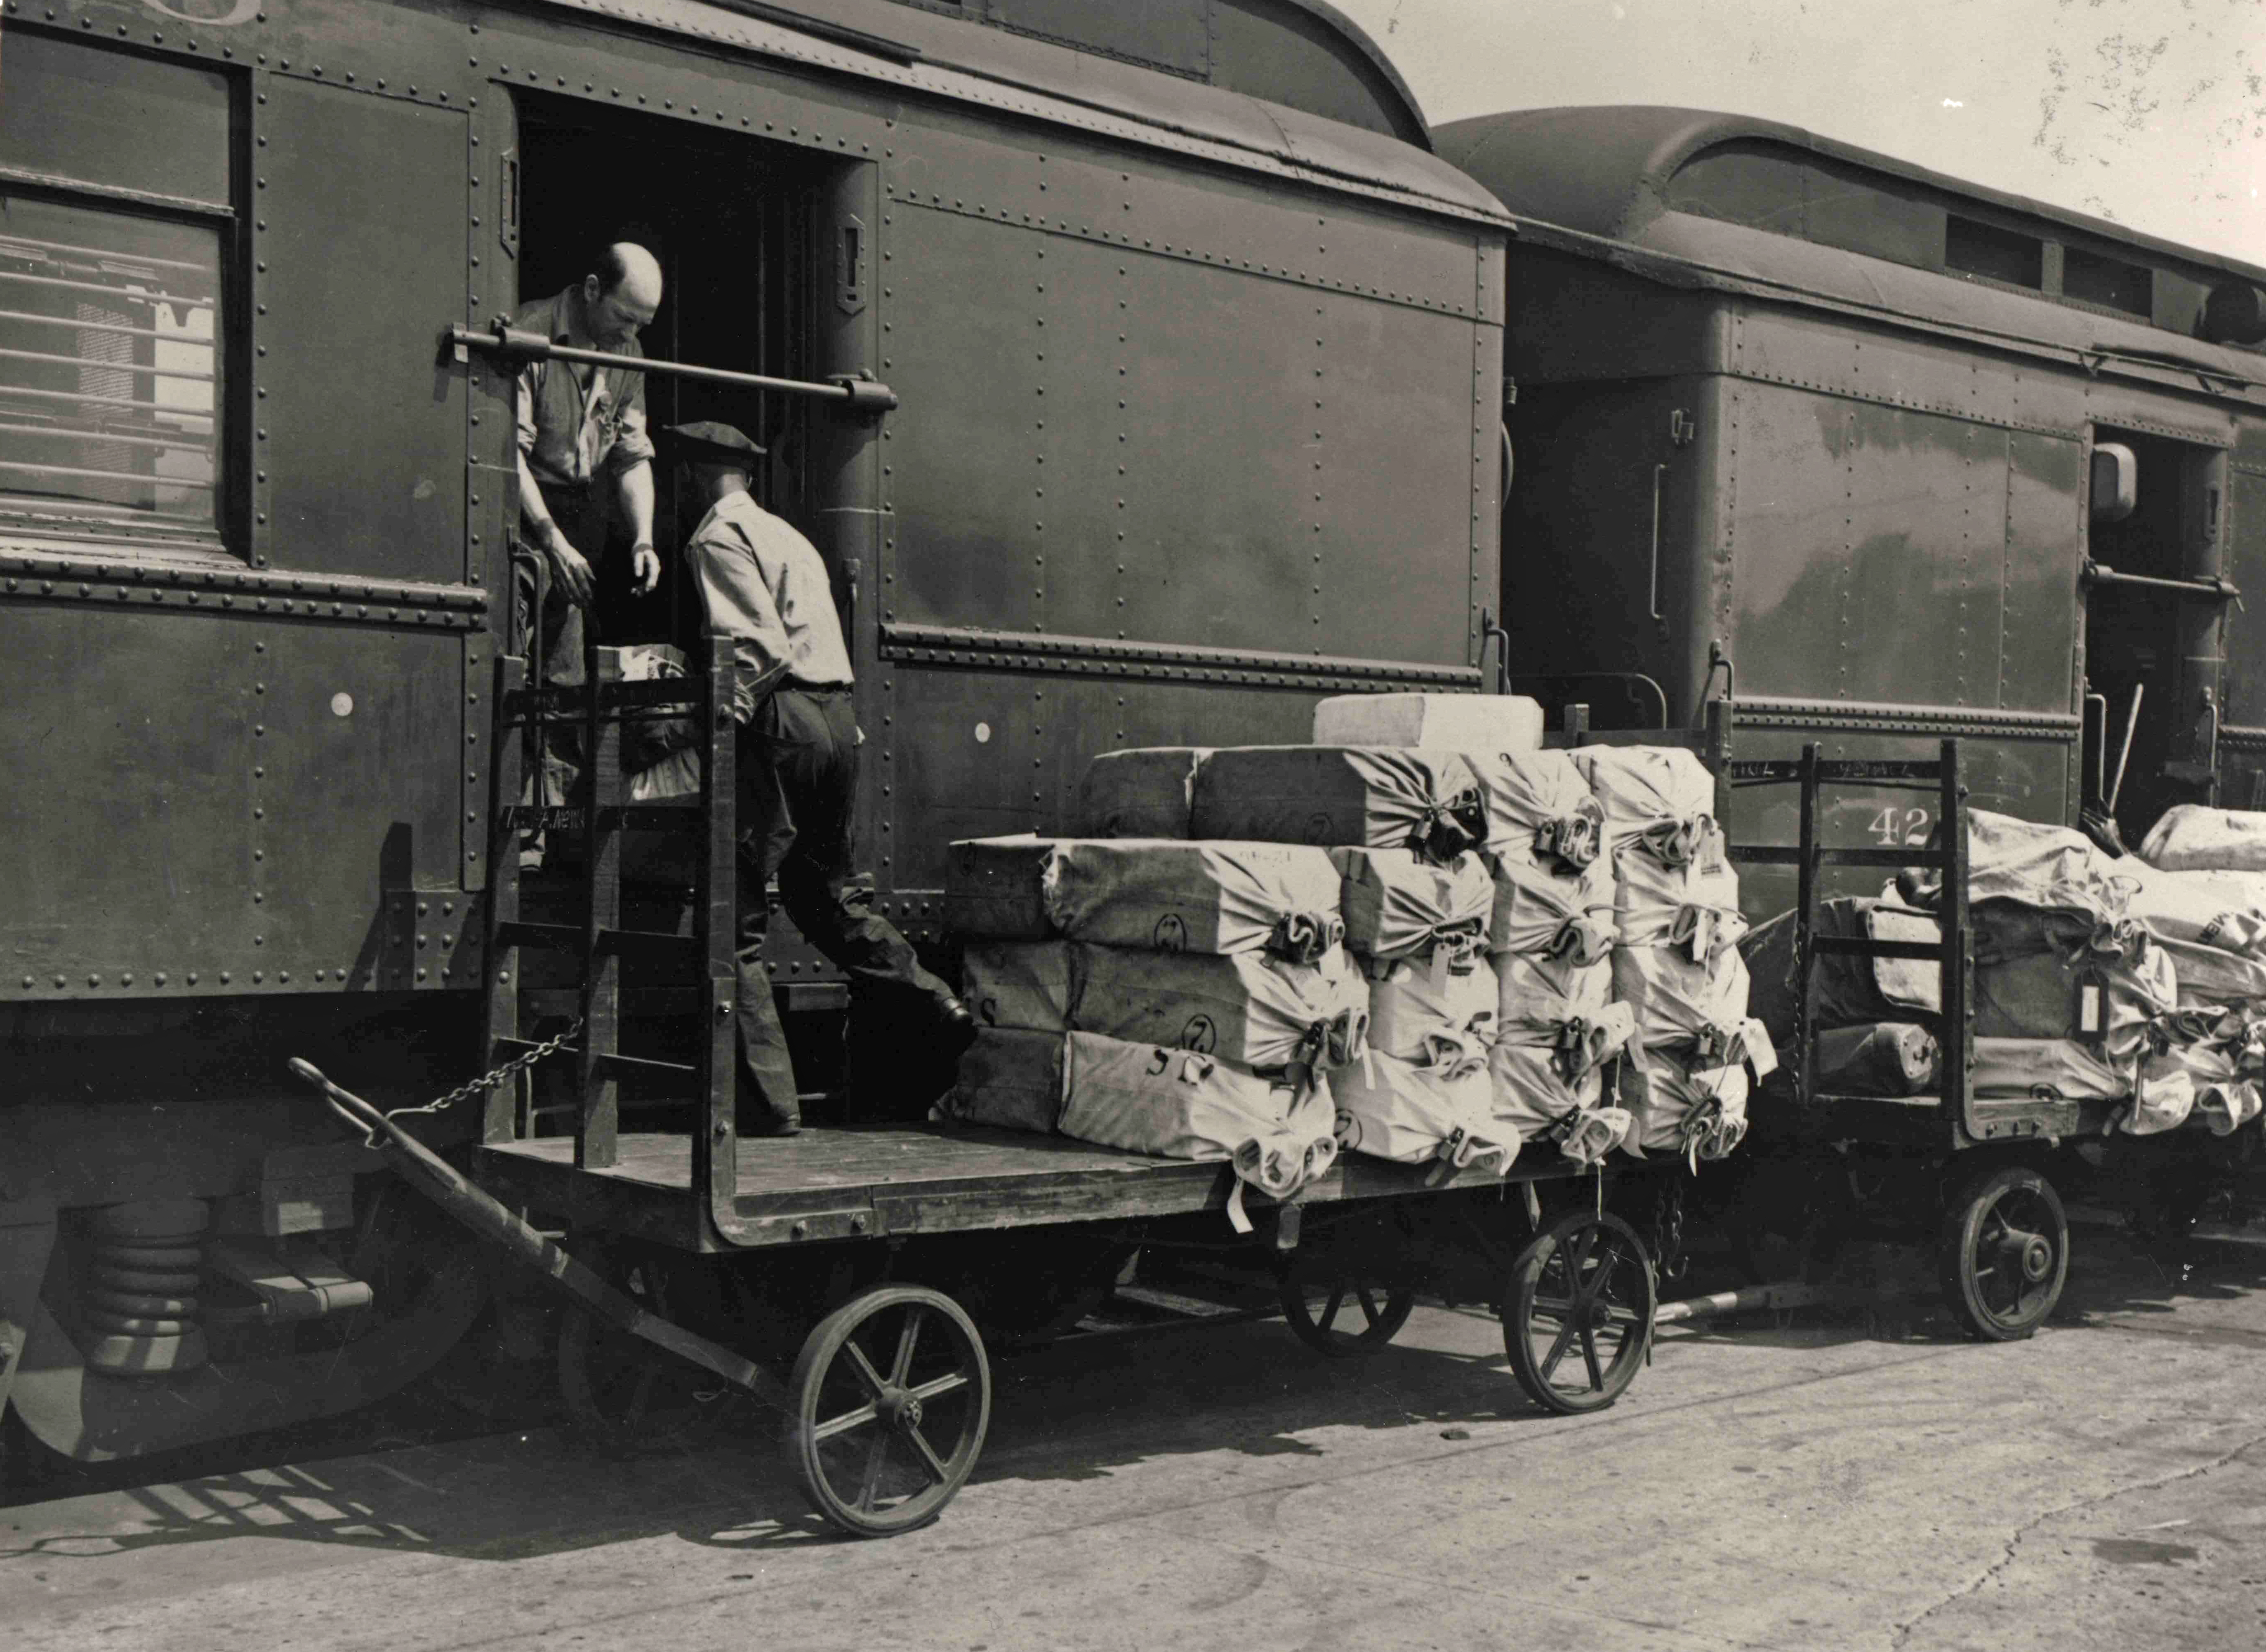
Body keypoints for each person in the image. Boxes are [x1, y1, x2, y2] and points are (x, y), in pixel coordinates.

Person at [664, 421, 974, 1135]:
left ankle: (768, 1108)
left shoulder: (713, 538)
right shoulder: (788, 535)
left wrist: (702, 715)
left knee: (730, 922)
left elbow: (759, 647)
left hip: (784, 722)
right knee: (825, 897)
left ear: (690, 479)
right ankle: (930, 998)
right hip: (838, 721)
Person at [512, 242, 666, 690]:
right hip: (525, 514)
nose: (631, 335)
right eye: (625, 318)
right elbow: (509, 457)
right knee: (515, 661)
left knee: (566, 678)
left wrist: (643, 539)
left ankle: (554, 759)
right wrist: (553, 544)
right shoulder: (530, 333)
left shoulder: (629, 351)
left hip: (581, 516)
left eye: (643, 324)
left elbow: (632, 455)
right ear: (593, 290)